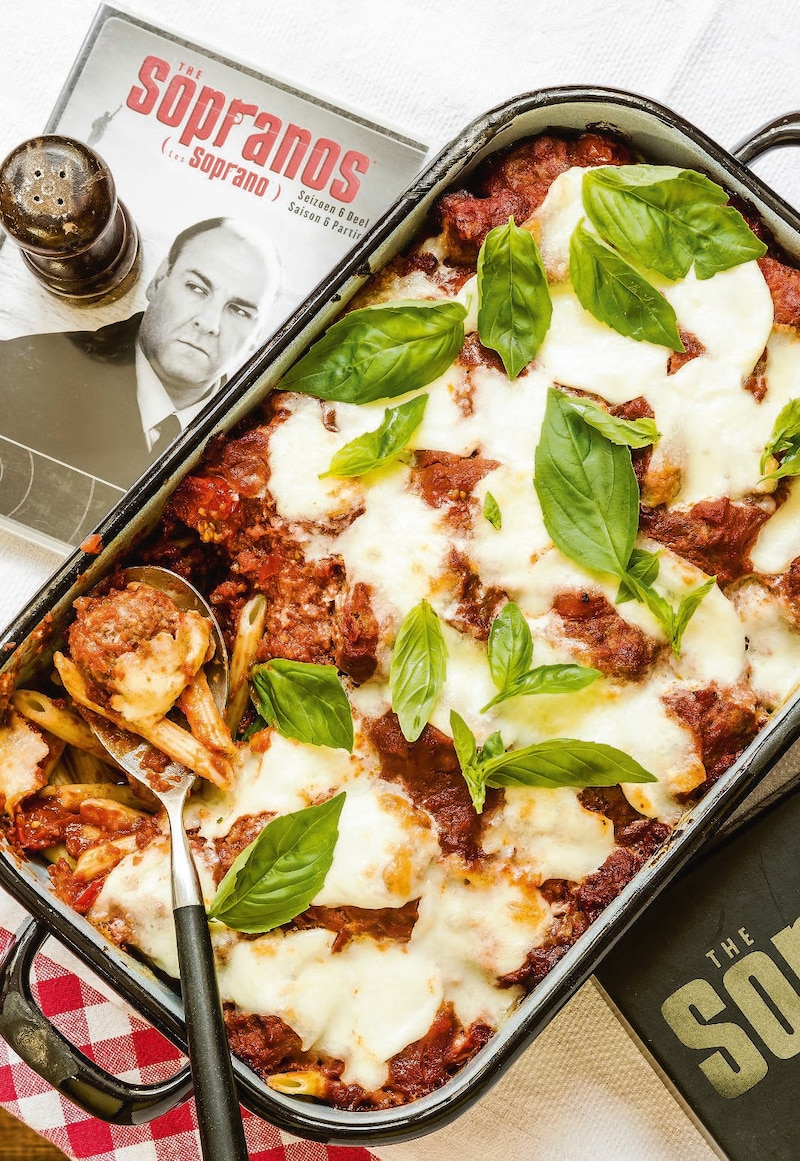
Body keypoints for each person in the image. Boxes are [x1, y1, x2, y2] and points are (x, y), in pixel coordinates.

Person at [0, 216, 279, 491]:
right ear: (157, 281)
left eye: (239, 311)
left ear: (257, 335)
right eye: (196, 288)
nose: (208, 323)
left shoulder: (270, 443)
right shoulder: (17, 374)